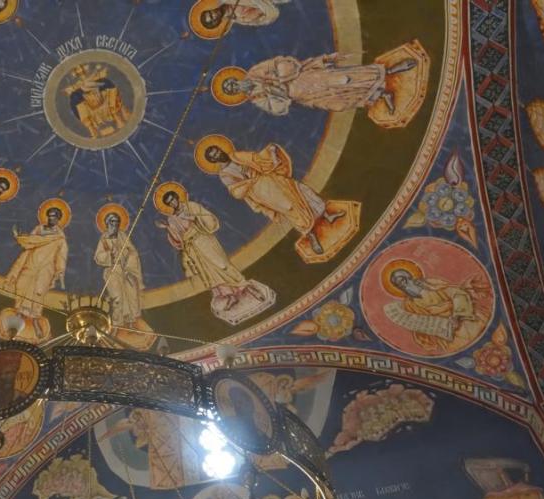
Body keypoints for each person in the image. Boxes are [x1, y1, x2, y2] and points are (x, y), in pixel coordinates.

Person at [205, 143, 341, 255]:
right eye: (215, 155)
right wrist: (248, 179)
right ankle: (311, 235)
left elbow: (257, 158)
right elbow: (236, 192)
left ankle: (327, 215)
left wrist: (269, 153)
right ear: (214, 160)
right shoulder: (225, 175)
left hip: (271, 178)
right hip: (261, 191)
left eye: (218, 151)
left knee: (303, 192)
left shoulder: (236, 156)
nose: (219, 154)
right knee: (291, 208)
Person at [156, 190, 262, 312]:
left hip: (204, 239)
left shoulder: (191, 206)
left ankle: (245, 287)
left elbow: (208, 218)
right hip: (193, 248)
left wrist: (194, 218)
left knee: (221, 265)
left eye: (173, 199)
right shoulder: (171, 220)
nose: (172, 203)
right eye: (169, 202)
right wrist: (167, 228)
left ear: (177, 197)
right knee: (208, 272)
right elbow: (179, 240)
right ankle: (229, 295)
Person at [223, 53, 417, 116]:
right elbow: (279, 109)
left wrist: (280, 77)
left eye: (232, 84)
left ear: (236, 79)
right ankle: (381, 94)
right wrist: (275, 92)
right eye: (232, 90)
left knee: (344, 78)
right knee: (340, 103)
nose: (236, 87)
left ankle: (392, 70)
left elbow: (281, 63)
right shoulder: (256, 98)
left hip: (304, 78)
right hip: (301, 95)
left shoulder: (256, 72)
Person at [381, 261, 491, 354]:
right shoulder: (409, 304)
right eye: (398, 285)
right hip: (448, 333)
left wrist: (456, 316)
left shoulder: (430, 284)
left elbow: (457, 293)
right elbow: (419, 326)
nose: (403, 285)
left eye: (402, 280)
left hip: (464, 317)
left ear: (409, 277)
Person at [5, 207, 69, 319]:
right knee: (21, 284)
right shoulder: (39, 229)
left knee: (38, 291)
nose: (51, 218)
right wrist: (21, 238)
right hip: (30, 263)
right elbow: (30, 242)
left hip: (46, 268)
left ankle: (34, 317)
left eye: (54, 216)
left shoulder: (60, 238)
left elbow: (61, 256)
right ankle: (18, 310)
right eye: (50, 215)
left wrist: (60, 270)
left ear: (58, 219)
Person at [94, 211, 143, 325]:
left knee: (131, 297)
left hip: (126, 270)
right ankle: (117, 324)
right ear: (107, 223)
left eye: (117, 221)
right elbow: (98, 257)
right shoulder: (104, 239)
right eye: (112, 221)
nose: (115, 224)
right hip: (112, 272)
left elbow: (133, 252)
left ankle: (130, 322)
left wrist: (128, 264)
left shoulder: (123, 236)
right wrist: (109, 255)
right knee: (117, 298)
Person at [198, 0, 285, 28]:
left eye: (210, 13)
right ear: (217, 22)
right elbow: (264, 9)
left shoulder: (224, 1)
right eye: (212, 18)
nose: (214, 14)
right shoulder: (242, 17)